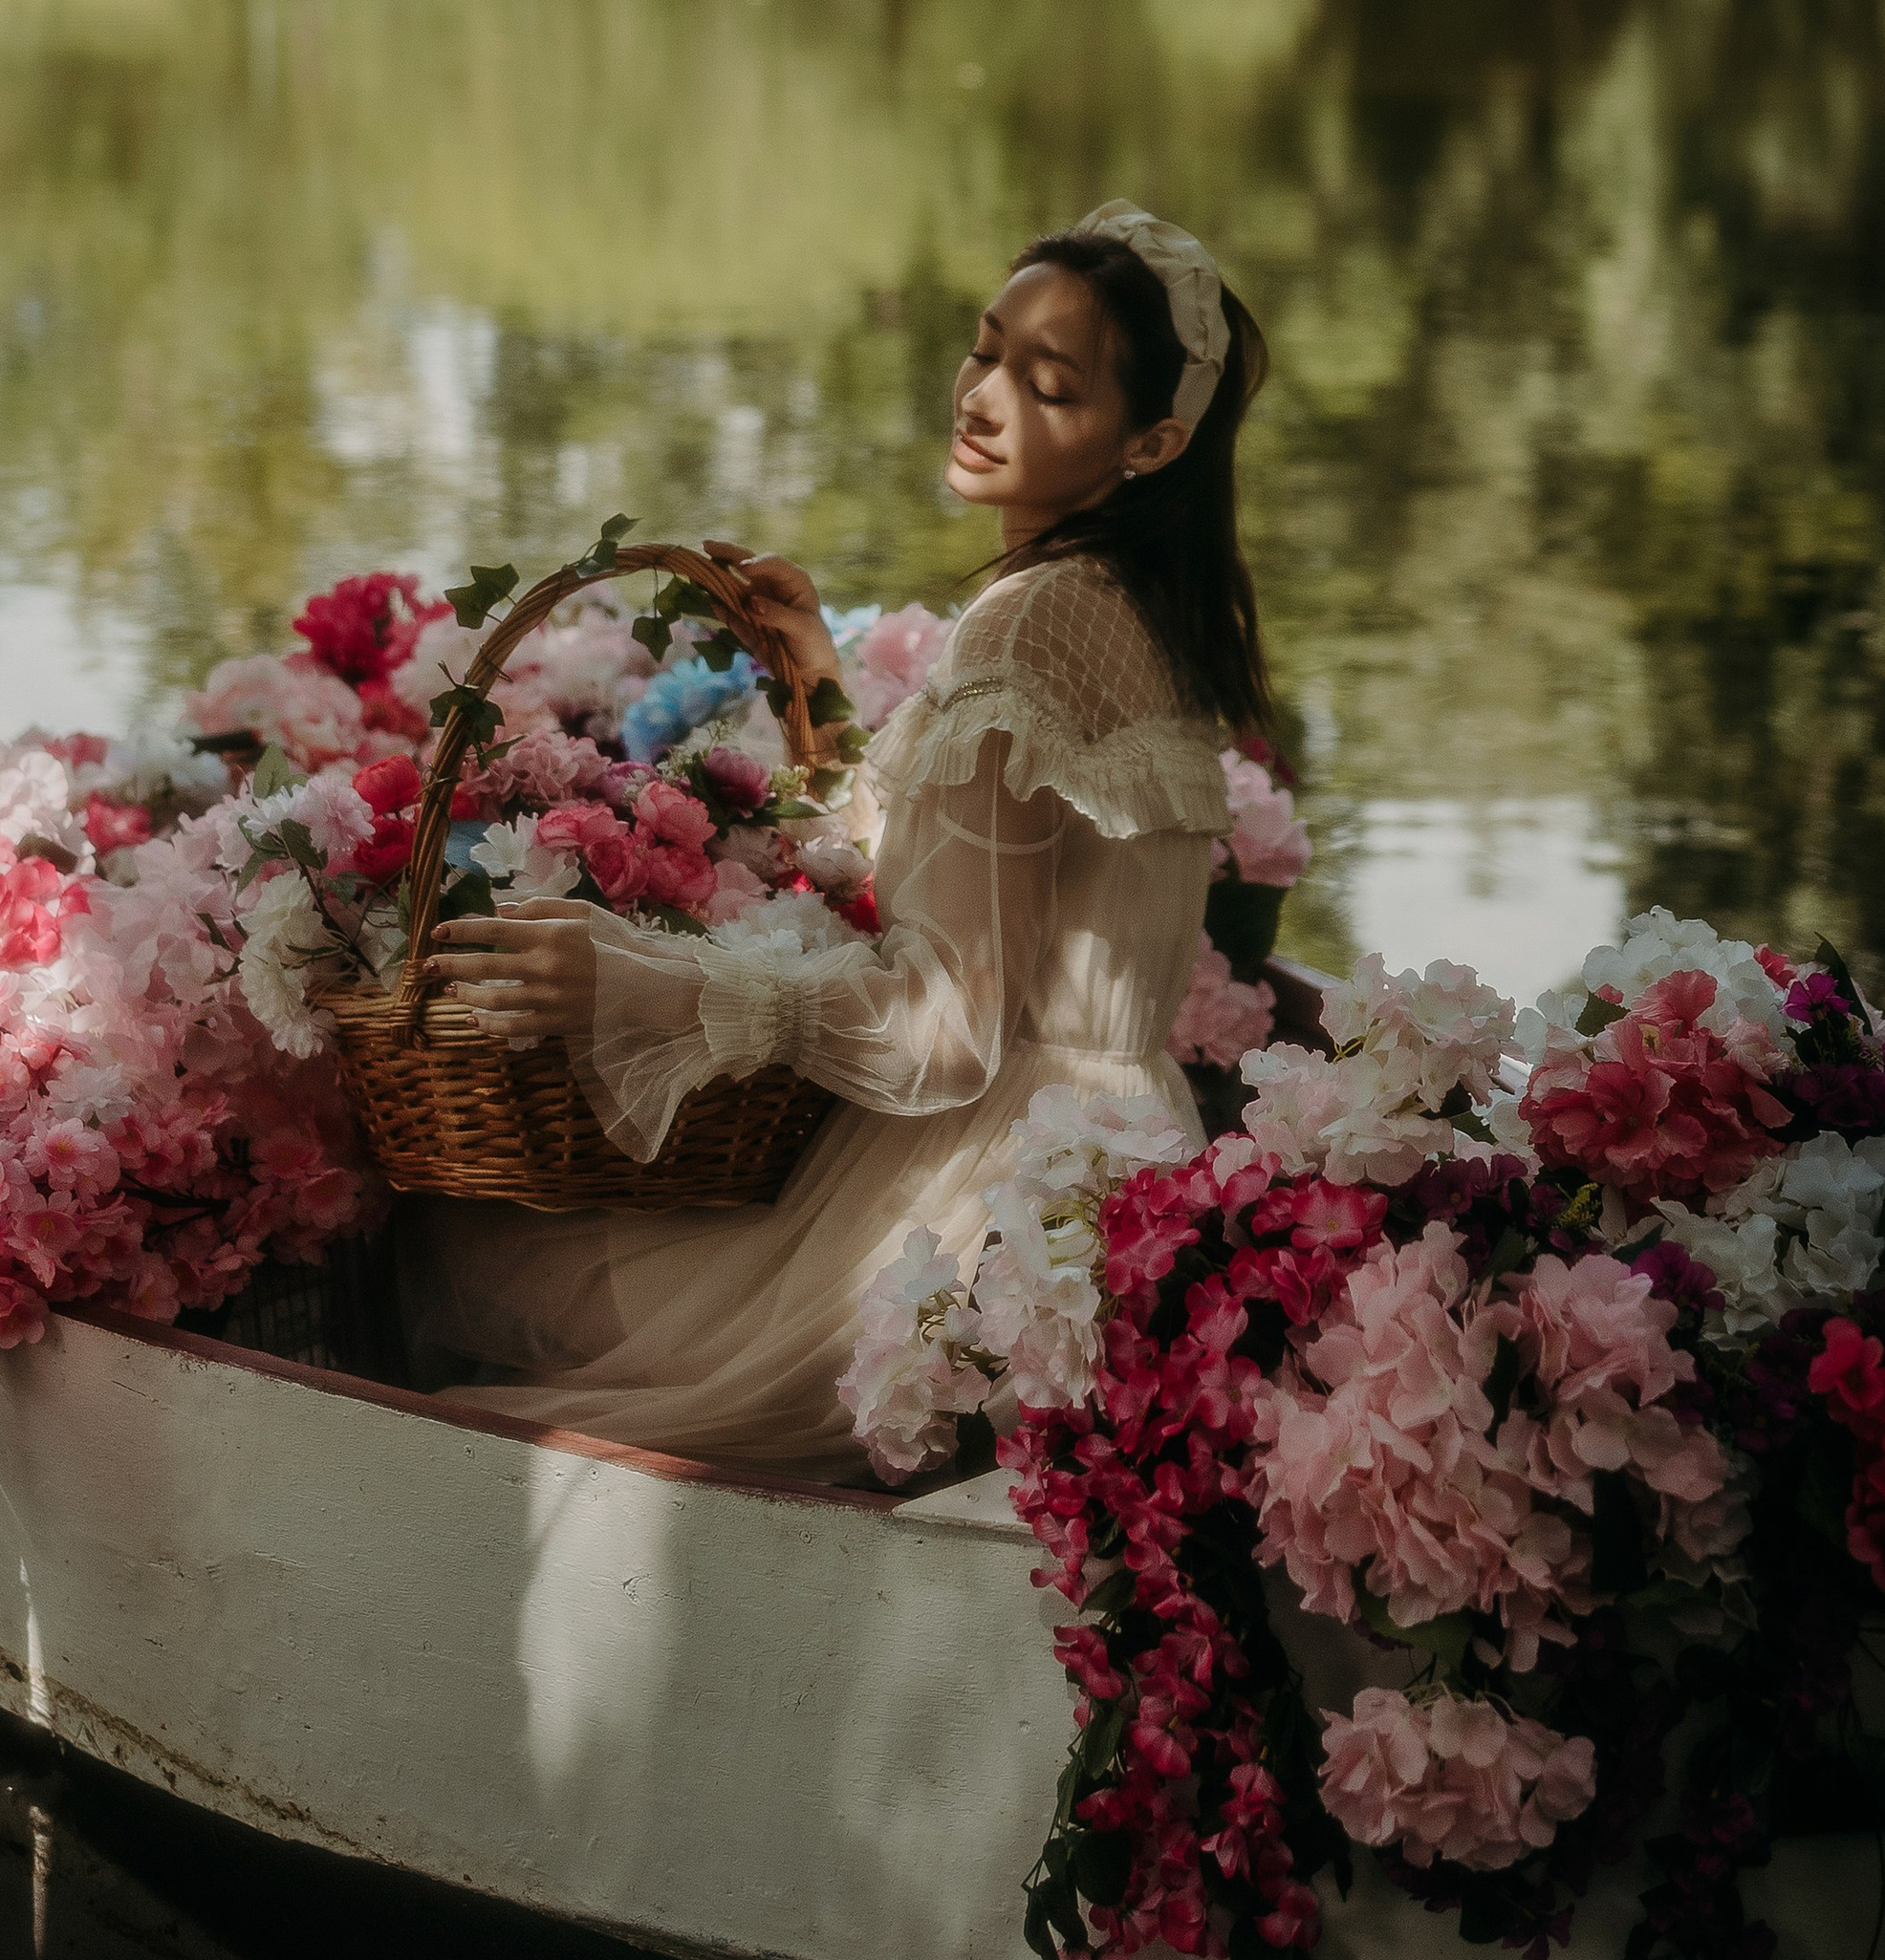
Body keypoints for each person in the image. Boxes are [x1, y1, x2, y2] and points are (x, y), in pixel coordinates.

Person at [408, 201, 1273, 1475]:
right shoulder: (1138, 607)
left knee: (451, 1252)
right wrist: (818, 685)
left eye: (1049, 385)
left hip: (983, 1210)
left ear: (1150, 440)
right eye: (986, 350)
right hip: (1121, 1158)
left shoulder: (1031, 620)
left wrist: (632, 979)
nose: (984, 397)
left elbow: (950, 1026)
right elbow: (957, 884)